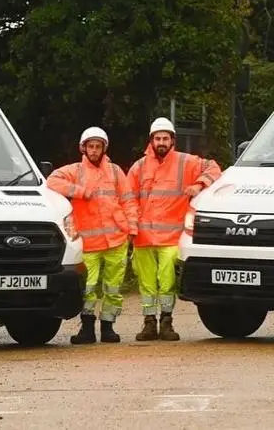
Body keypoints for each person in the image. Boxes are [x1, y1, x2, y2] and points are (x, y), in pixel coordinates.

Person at [126, 117, 222, 341]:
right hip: (143, 237)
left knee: (167, 281)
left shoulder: (186, 162)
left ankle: (167, 322)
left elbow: (214, 167)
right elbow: (128, 199)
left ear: (172, 140)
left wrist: (198, 185)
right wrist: (131, 227)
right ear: (151, 141)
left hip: (170, 236)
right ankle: (149, 323)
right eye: (157, 138)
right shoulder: (138, 167)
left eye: (165, 138)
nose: (161, 142)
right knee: (147, 283)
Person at [47, 126, 138, 344]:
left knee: (113, 288)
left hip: (116, 239)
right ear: (84, 148)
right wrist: (80, 191)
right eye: (91, 146)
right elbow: (51, 181)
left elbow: (128, 200)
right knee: (87, 288)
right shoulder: (75, 170)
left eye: (98, 146)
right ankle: (87, 329)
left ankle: (108, 328)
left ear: (104, 148)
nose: (94, 150)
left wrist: (132, 229)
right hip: (88, 241)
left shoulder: (116, 171)